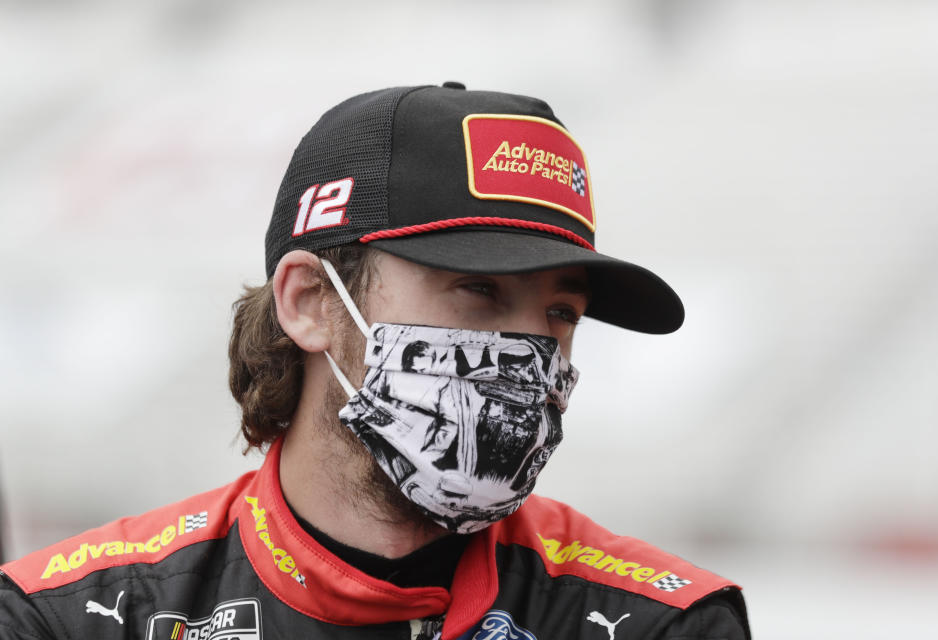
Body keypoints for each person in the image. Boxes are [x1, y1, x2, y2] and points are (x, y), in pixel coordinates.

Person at [0, 83, 750, 639]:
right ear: (310, 302)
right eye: (479, 291)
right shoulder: (77, 617)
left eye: (561, 312)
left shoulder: (657, 624)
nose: (529, 356)